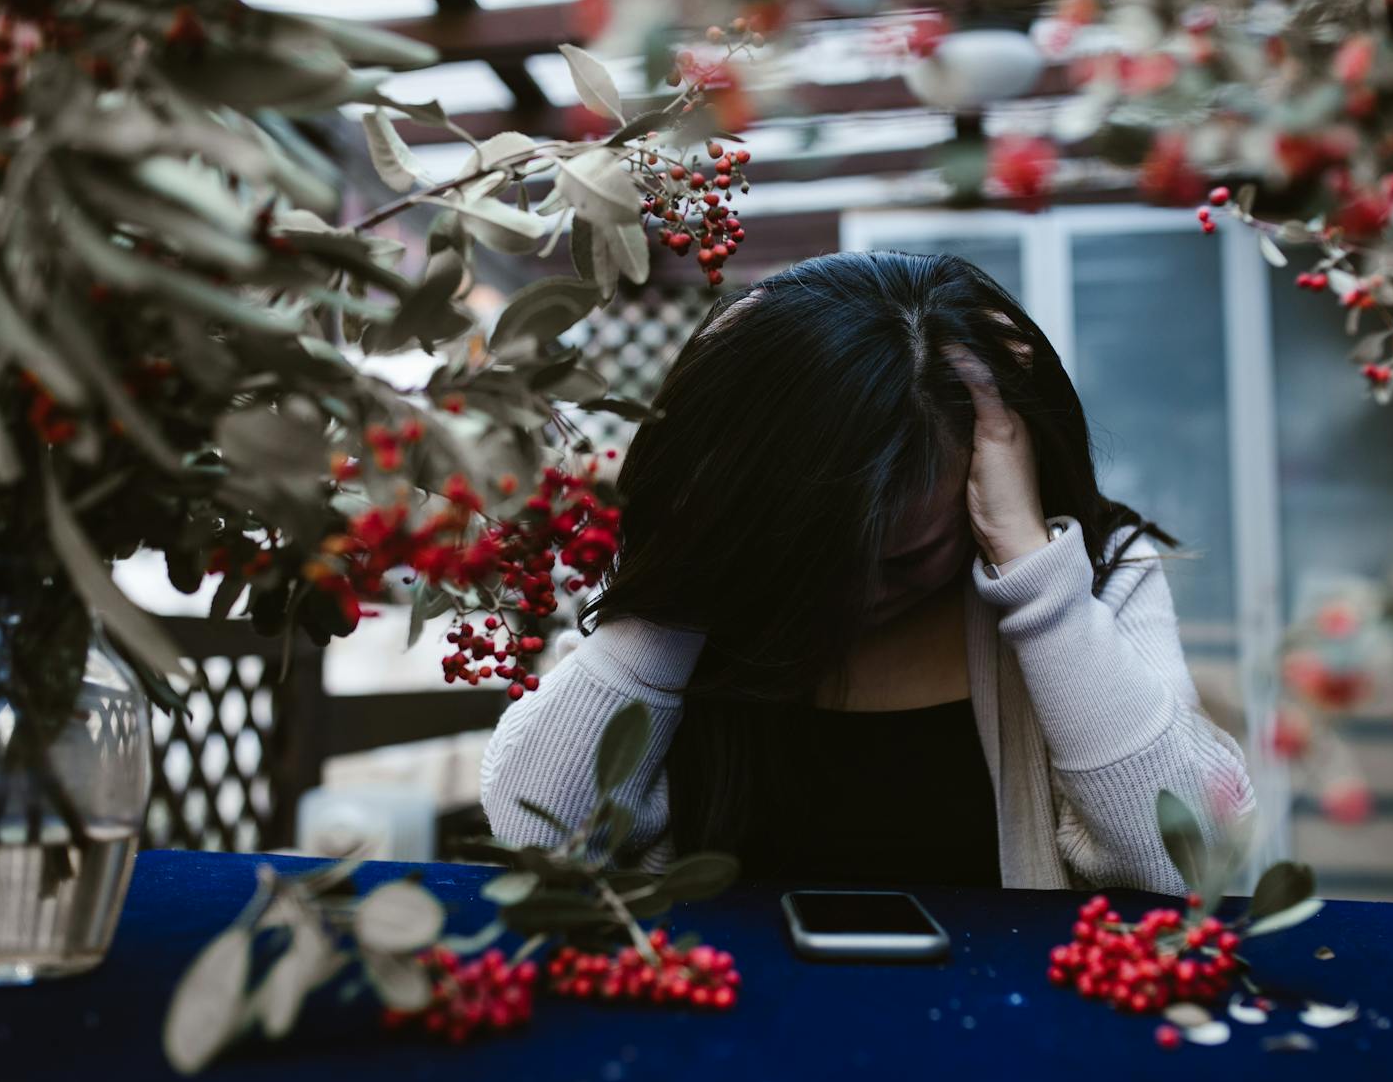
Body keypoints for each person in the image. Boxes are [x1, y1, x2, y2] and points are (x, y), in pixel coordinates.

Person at [480, 250, 1255, 892]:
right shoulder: (694, 569)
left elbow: (1182, 866)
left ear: (986, 487)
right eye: (810, 557)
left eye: (903, 560)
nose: (850, 596)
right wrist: (693, 560)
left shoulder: (1090, 574)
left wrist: (1034, 573)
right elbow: (538, 833)